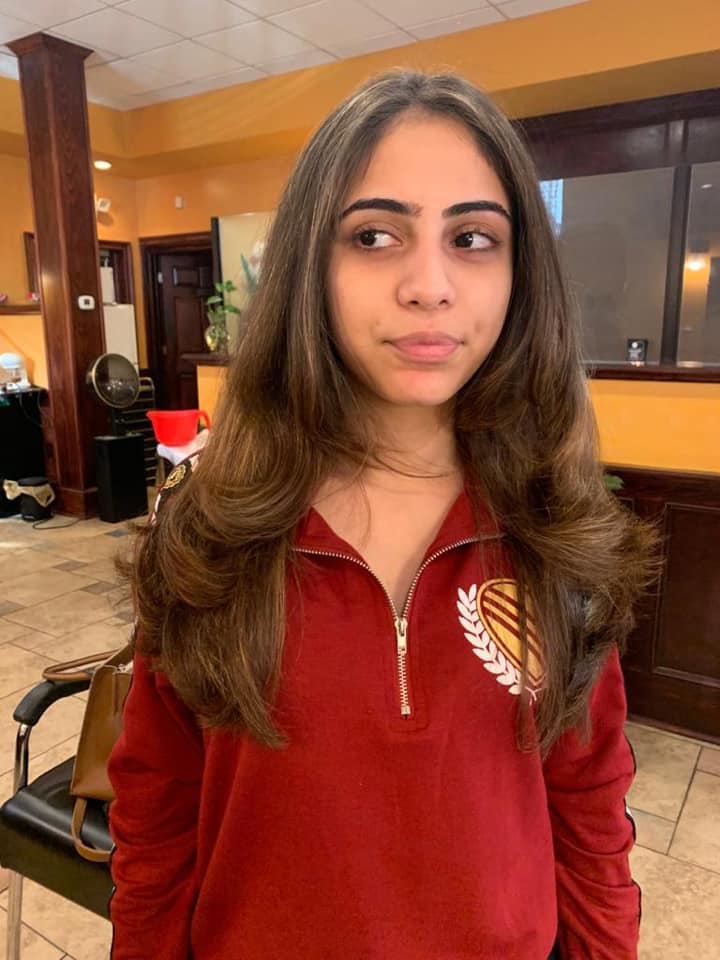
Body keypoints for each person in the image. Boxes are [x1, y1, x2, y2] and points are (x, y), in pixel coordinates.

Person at [108, 70, 657, 960]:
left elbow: (590, 808)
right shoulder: (213, 531)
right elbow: (157, 809)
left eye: (472, 238)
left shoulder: (555, 528)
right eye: (374, 235)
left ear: (520, 273)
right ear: (311, 268)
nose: (429, 285)